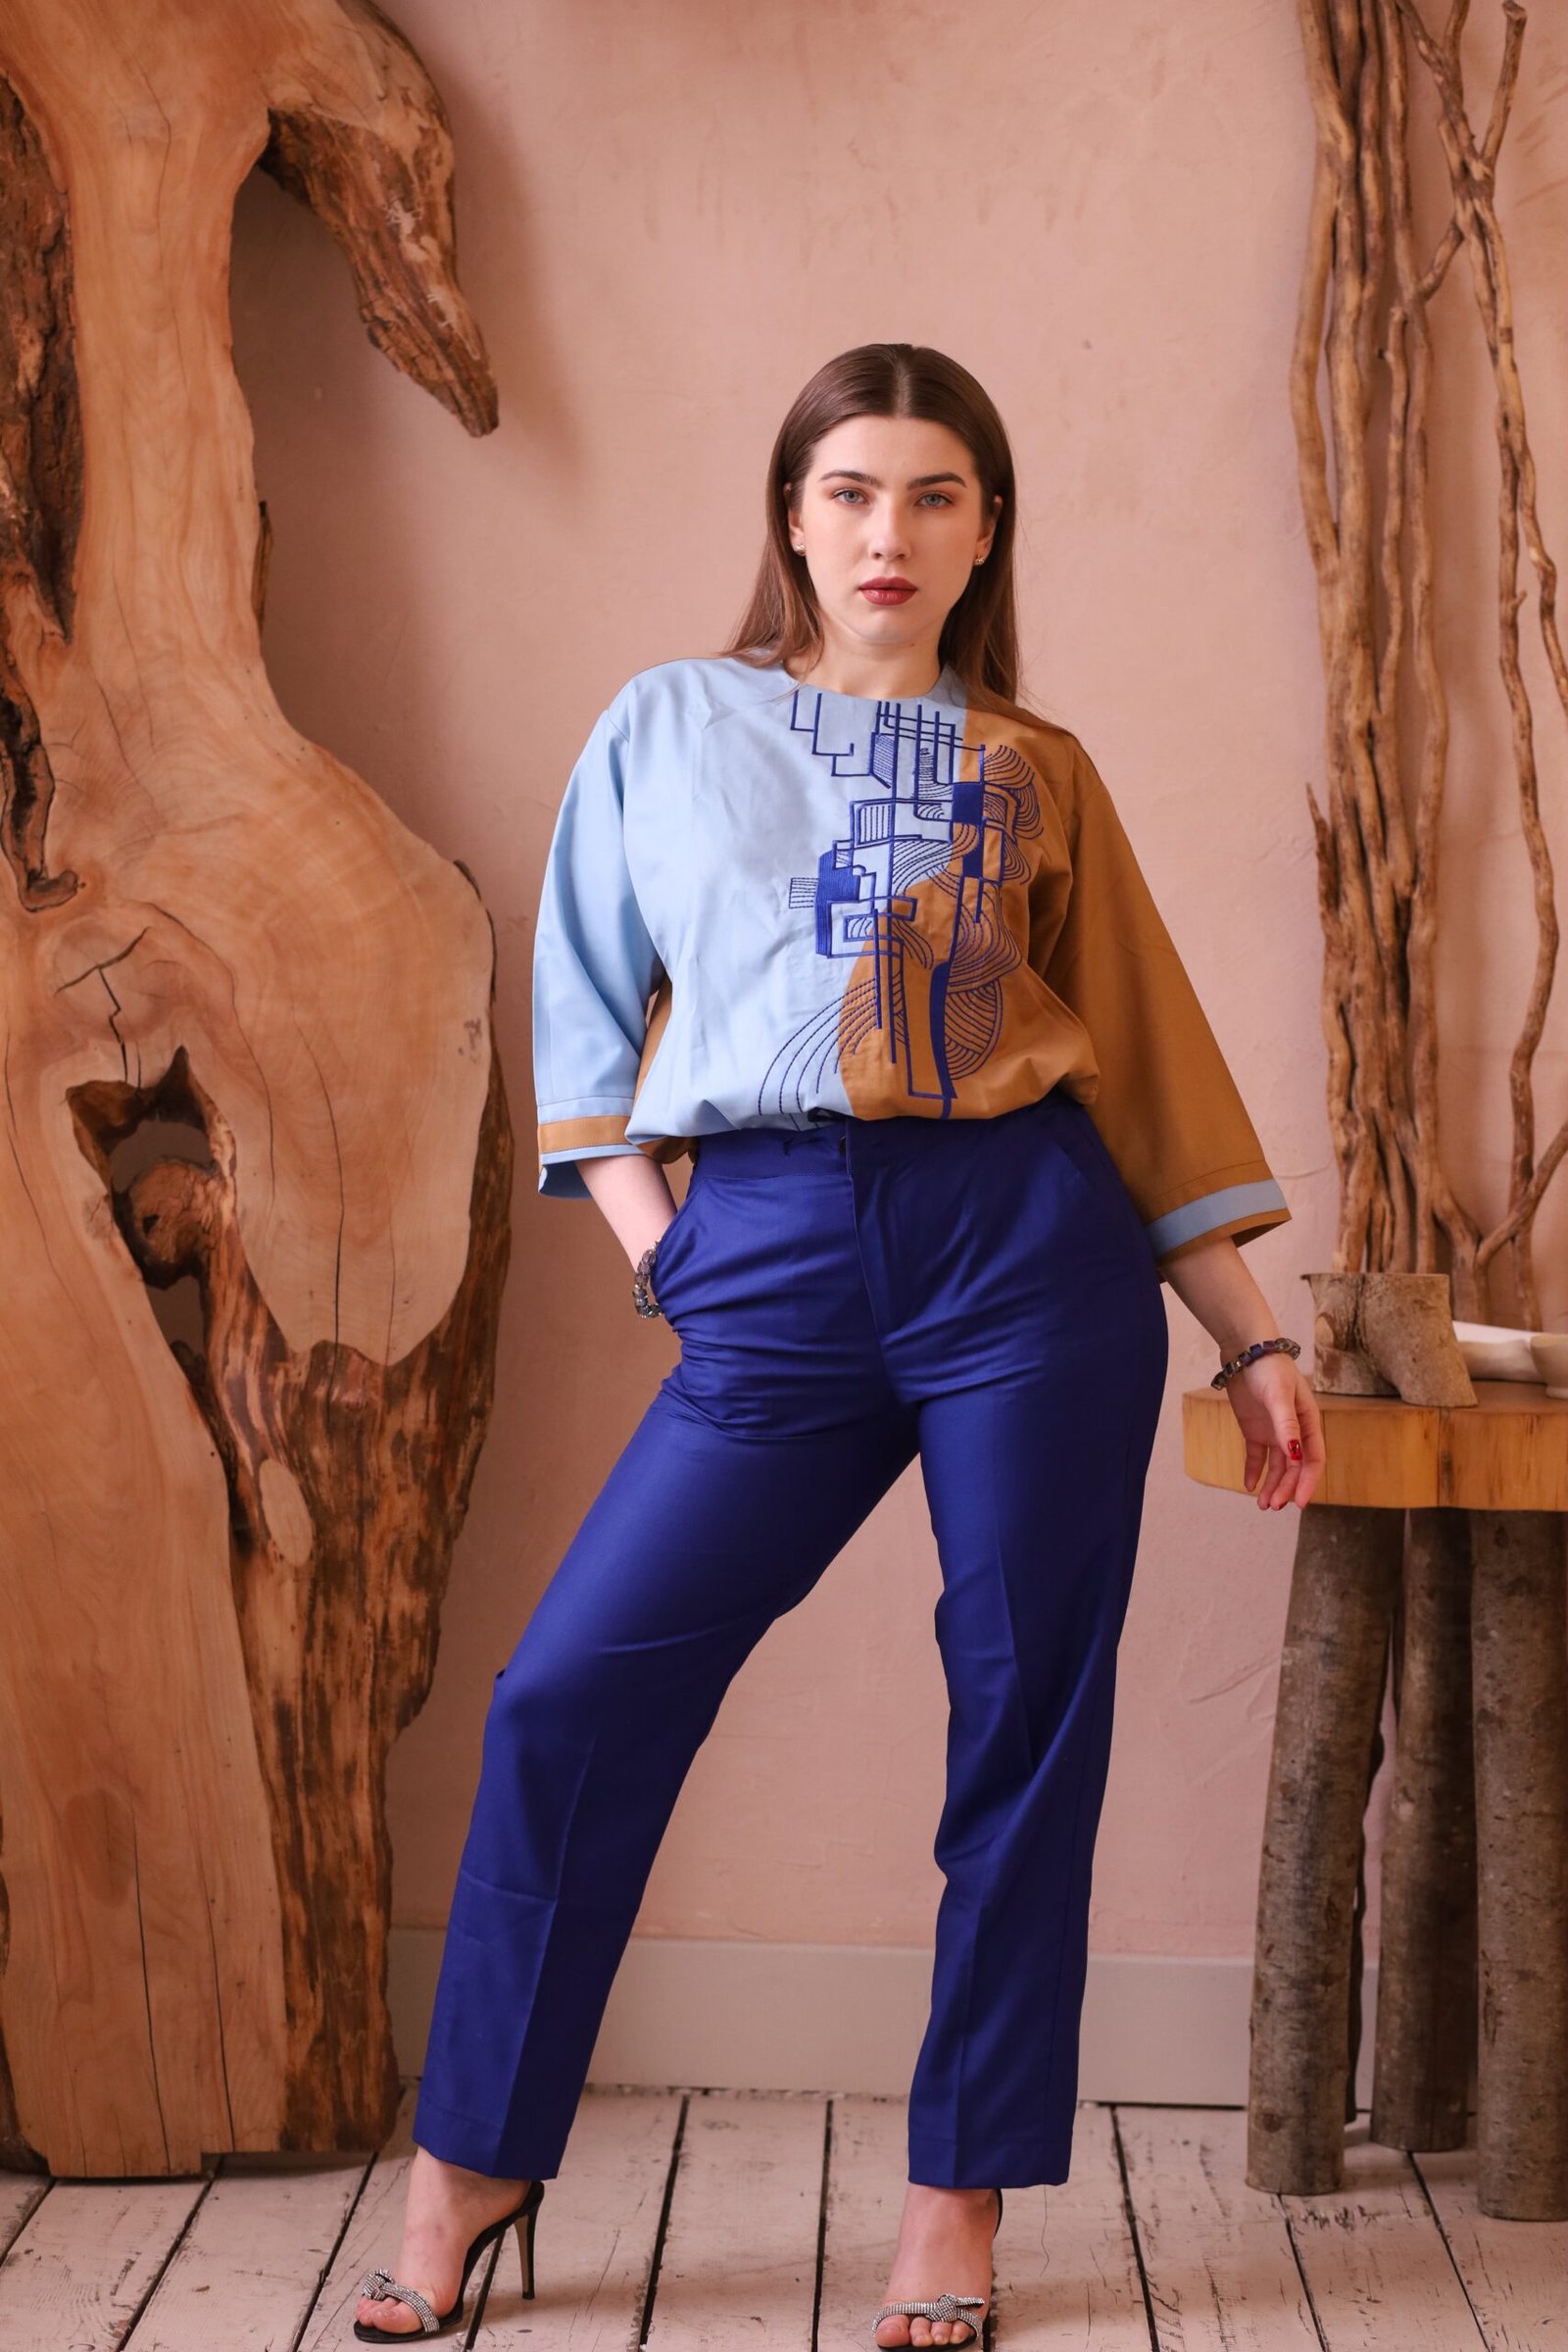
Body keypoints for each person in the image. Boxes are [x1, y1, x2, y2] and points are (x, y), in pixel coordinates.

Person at [354, 342, 1326, 2348]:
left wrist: (1247, 1336)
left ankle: (956, 2203)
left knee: (1021, 1722)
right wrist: (671, 1259)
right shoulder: (668, 723)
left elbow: (1142, 1063)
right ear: (792, 519)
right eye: (853, 491)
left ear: (985, 534)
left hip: (1025, 1258)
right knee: (567, 1697)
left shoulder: (1034, 767)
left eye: (935, 495)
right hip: (770, 1251)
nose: (891, 532)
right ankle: (472, 2159)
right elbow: (580, 1013)